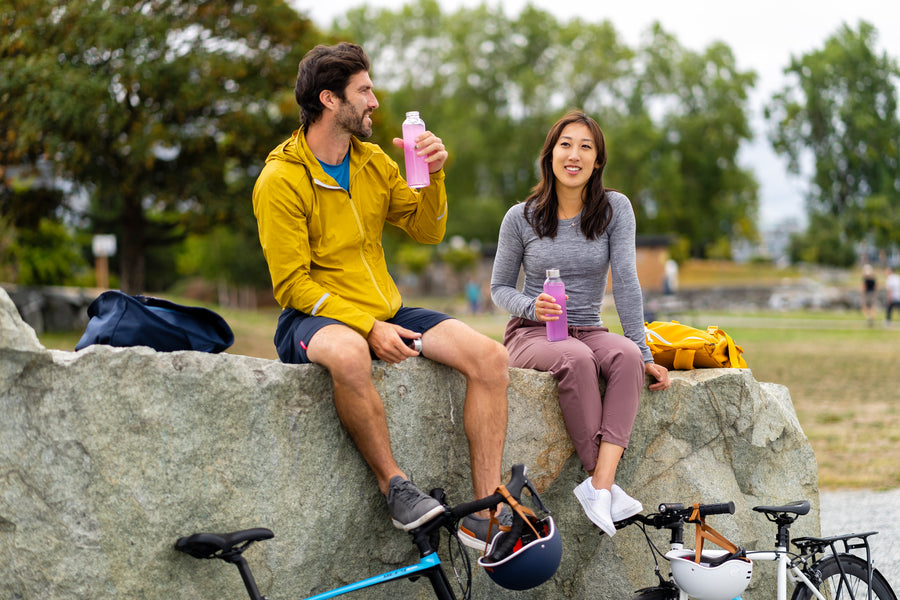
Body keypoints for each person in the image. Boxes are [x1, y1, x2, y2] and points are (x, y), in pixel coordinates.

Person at [252, 43, 509, 547]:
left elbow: (427, 231)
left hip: (387, 310)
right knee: (349, 355)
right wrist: (367, 328)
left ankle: (484, 511)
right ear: (329, 99)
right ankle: (395, 486)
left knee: (490, 358)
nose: (374, 100)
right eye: (364, 90)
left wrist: (434, 176)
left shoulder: (373, 164)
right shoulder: (280, 179)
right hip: (313, 317)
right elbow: (291, 284)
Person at [490, 110, 671, 537]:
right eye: (566, 144)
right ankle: (603, 483)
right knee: (574, 358)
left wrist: (644, 351)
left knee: (624, 356)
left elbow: (626, 282)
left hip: (590, 327)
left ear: (597, 161)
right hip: (532, 333)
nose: (574, 155)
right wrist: (534, 307)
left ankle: (599, 487)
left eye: (585, 147)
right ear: (550, 154)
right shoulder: (521, 216)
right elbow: (499, 288)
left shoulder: (615, 209)